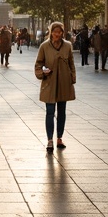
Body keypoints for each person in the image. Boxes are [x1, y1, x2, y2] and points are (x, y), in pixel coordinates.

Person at [34, 22, 76, 153]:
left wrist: (72, 78)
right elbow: (38, 64)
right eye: (55, 32)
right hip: (49, 83)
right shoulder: (44, 46)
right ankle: (49, 140)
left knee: (62, 112)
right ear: (50, 32)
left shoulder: (68, 46)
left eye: (59, 32)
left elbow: (71, 64)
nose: (57, 34)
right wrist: (42, 72)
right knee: (50, 111)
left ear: (62, 33)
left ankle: (59, 138)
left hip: (64, 83)